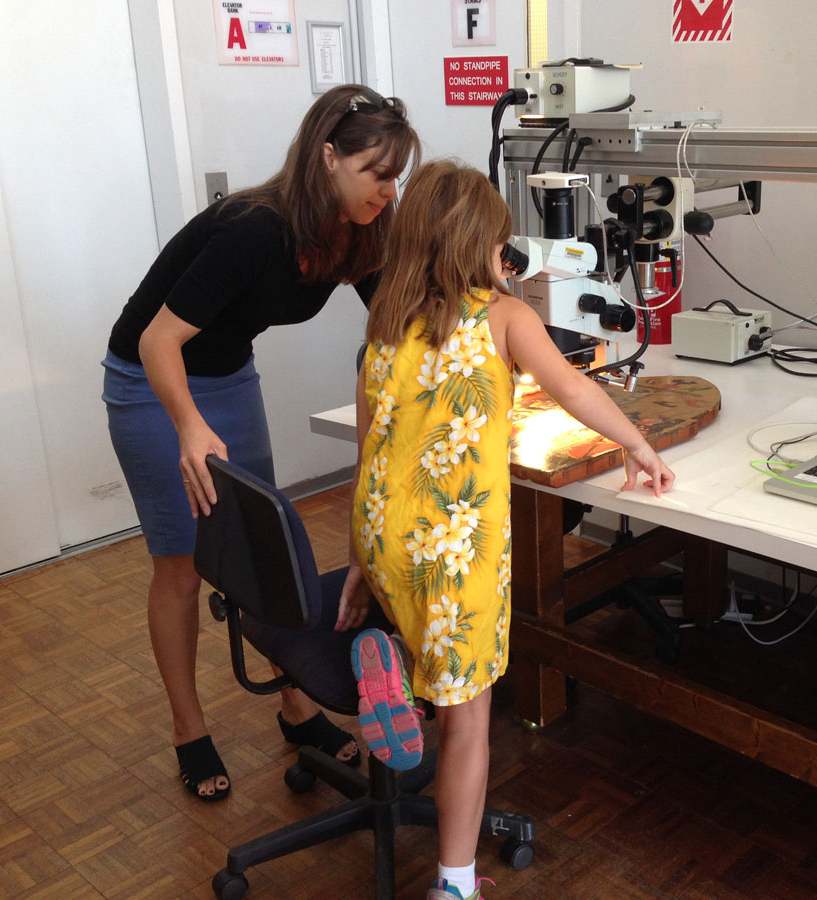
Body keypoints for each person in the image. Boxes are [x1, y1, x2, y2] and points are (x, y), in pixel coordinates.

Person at [335, 159, 675, 900]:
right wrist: (638, 444)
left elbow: (369, 444)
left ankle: (396, 657)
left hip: (384, 530)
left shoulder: (385, 320)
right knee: (471, 718)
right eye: (501, 244)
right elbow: (576, 386)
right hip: (454, 551)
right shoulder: (505, 317)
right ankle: (455, 883)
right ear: (479, 246)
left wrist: (359, 559)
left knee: (416, 613)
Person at [102, 85, 420, 801]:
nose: (388, 189)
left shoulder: (365, 225)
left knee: (257, 553)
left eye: (396, 175)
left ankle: (296, 707)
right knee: (184, 567)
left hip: (228, 374)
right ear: (328, 156)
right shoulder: (253, 228)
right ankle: (189, 728)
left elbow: (397, 322)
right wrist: (187, 424)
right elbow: (158, 338)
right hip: (156, 381)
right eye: (377, 172)